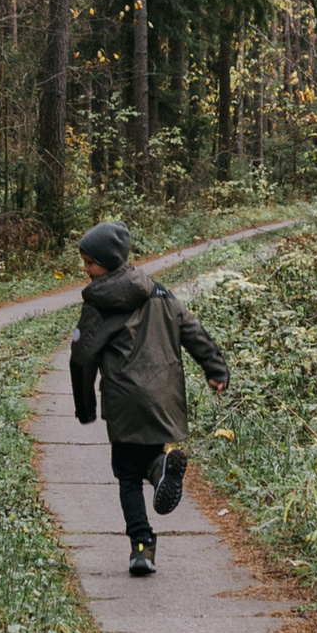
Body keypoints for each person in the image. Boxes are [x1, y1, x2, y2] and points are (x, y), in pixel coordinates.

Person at [67, 220, 231, 576]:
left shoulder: (98, 304)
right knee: (148, 455)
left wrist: (85, 408)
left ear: (108, 262)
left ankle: (142, 546)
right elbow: (192, 329)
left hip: (124, 400)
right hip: (163, 395)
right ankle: (158, 467)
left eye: (90, 263)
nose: (85, 269)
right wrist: (216, 369)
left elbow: (82, 358)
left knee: (127, 475)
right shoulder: (159, 292)